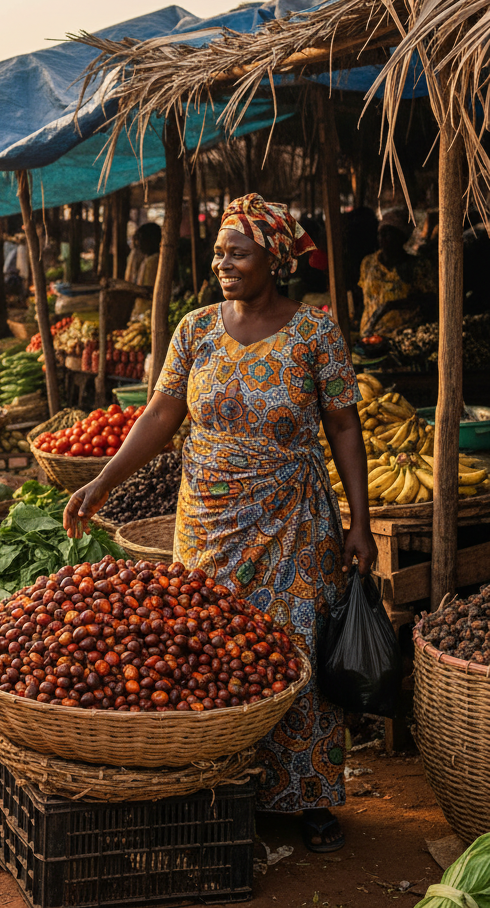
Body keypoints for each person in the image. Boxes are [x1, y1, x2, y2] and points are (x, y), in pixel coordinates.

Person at [64, 193, 376, 853]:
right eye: (218, 252)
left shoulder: (315, 330)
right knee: (209, 649)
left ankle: (308, 794)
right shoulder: (196, 328)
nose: (223, 263)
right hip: (206, 521)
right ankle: (224, 785)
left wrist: (359, 521)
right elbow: (159, 414)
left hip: (293, 520)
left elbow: (345, 427)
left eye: (238, 251)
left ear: (274, 257)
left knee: (294, 652)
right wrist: (100, 480)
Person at [358, 207, 437, 335]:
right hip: (370, 334)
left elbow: (430, 300)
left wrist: (392, 305)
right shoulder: (368, 263)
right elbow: (365, 298)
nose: (382, 237)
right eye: (380, 233)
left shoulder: (417, 267)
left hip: (403, 335)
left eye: (389, 233)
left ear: (402, 237)